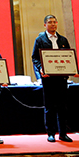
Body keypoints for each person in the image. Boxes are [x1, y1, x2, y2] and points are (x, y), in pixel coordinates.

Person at [31, 14, 74, 143]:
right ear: (45, 25)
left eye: (54, 22)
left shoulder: (63, 40)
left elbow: (69, 56)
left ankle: (63, 133)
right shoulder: (40, 40)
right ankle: (51, 133)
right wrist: (40, 69)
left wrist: (73, 69)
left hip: (61, 78)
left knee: (63, 107)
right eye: (50, 22)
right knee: (50, 107)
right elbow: (35, 57)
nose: (53, 24)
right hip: (48, 79)